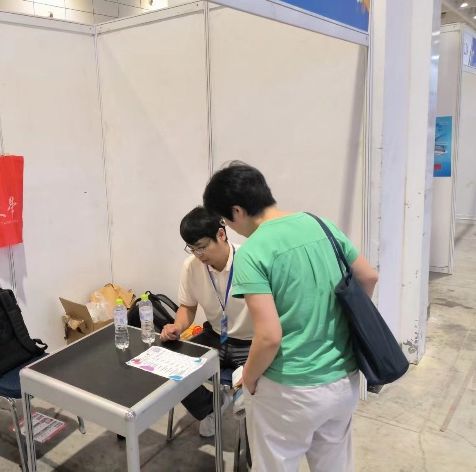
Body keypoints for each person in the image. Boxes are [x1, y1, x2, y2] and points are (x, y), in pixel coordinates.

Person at [202, 162, 378, 472]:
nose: (230, 227)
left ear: (237, 211)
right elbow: (369, 277)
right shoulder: (321, 225)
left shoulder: (253, 252)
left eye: (226, 220)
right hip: (343, 379)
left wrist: (249, 379)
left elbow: (269, 337)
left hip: (289, 389)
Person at [161, 206, 254, 437]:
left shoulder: (250, 260)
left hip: (251, 342)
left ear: (221, 234)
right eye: (192, 248)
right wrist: (177, 326)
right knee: (166, 362)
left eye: (202, 247)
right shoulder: (191, 266)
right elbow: (187, 307)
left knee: (259, 394)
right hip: (216, 337)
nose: (198, 254)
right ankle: (211, 405)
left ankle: (250, 420)